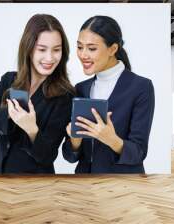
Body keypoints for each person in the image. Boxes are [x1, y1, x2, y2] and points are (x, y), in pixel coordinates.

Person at [0, 14, 74, 174]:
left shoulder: (65, 95)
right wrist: (9, 115)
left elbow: (47, 156)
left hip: (32, 184)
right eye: (42, 49)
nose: (50, 58)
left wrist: (31, 129)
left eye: (56, 50)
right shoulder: (9, 80)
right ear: (28, 48)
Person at [62, 16, 155, 174]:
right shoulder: (80, 89)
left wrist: (113, 140)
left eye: (91, 48)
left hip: (123, 187)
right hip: (85, 185)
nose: (83, 55)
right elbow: (70, 156)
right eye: (79, 47)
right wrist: (75, 142)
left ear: (112, 49)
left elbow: (139, 152)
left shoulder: (141, 87)